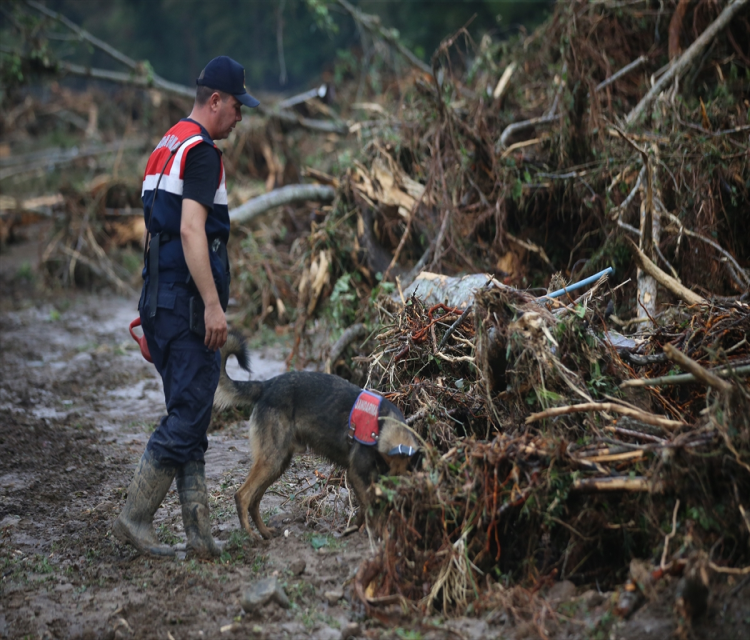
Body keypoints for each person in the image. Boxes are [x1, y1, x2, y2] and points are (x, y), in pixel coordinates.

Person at [113, 56, 259, 558]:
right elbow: (191, 230)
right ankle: (135, 516)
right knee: (188, 417)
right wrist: (214, 308)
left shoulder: (167, 143)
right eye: (238, 106)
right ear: (215, 100)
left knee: (190, 415)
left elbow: (158, 233)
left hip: (158, 302)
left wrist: (157, 308)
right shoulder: (201, 153)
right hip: (186, 308)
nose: (241, 117)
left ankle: (199, 536)